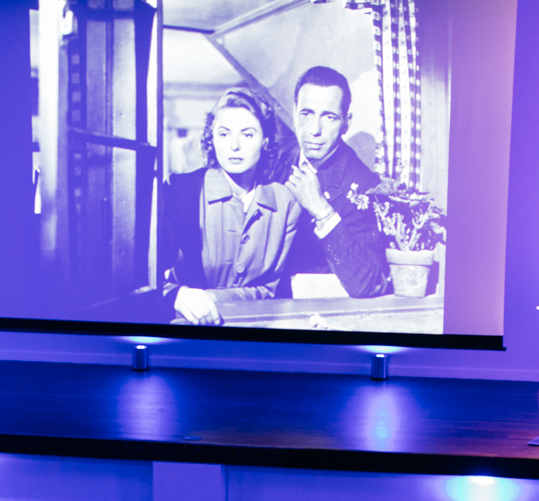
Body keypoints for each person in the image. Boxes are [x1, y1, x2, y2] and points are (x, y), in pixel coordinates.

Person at [158, 87, 304, 325]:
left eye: (247, 135)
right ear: (212, 138)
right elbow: (147, 281)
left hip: (256, 329)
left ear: (265, 141)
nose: (234, 146)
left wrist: (210, 298)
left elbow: (271, 289)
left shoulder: (285, 202)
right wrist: (178, 295)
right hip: (186, 326)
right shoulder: (181, 190)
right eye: (224, 134)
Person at [281, 65, 391, 300]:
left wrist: (322, 210)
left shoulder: (365, 185)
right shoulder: (276, 157)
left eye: (329, 117)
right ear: (294, 112)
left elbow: (369, 283)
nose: (314, 130)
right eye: (307, 113)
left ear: (346, 122)